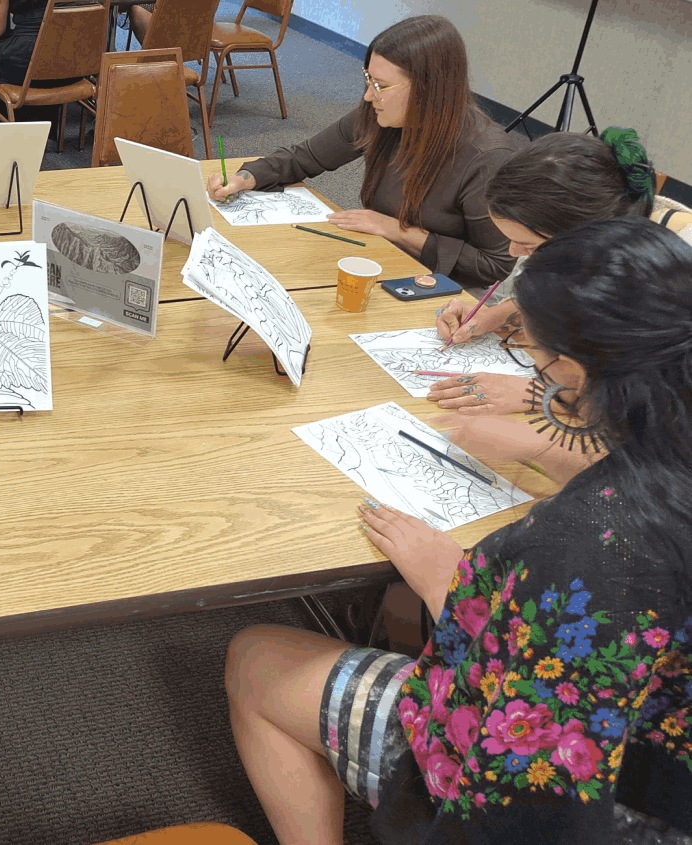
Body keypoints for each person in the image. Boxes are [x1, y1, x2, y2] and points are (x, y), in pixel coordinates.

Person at [225, 218, 692, 844]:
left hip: (614, 804)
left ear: (574, 367)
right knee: (395, 614)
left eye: (533, 351)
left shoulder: (593, 544)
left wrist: (448, 580)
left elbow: (533, 741)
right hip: (664, 744)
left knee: (255, 659)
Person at [206, 16, 522, 289]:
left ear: (429, 89)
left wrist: (398, 230)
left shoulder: (486, 156)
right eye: (368, 79)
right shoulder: (379, 115)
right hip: (383, 258)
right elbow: (305, 156)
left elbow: (492, 266)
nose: (369, 95)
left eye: (381, 85)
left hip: (448, 289)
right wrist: (244, 178)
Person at [428, 128, 691, 416]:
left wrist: (549, 396)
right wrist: (498, 313)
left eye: (527, 245)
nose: (514, 252)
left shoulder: (677, 269)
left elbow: (668, 408)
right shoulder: (580, 234)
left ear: (585, 236)